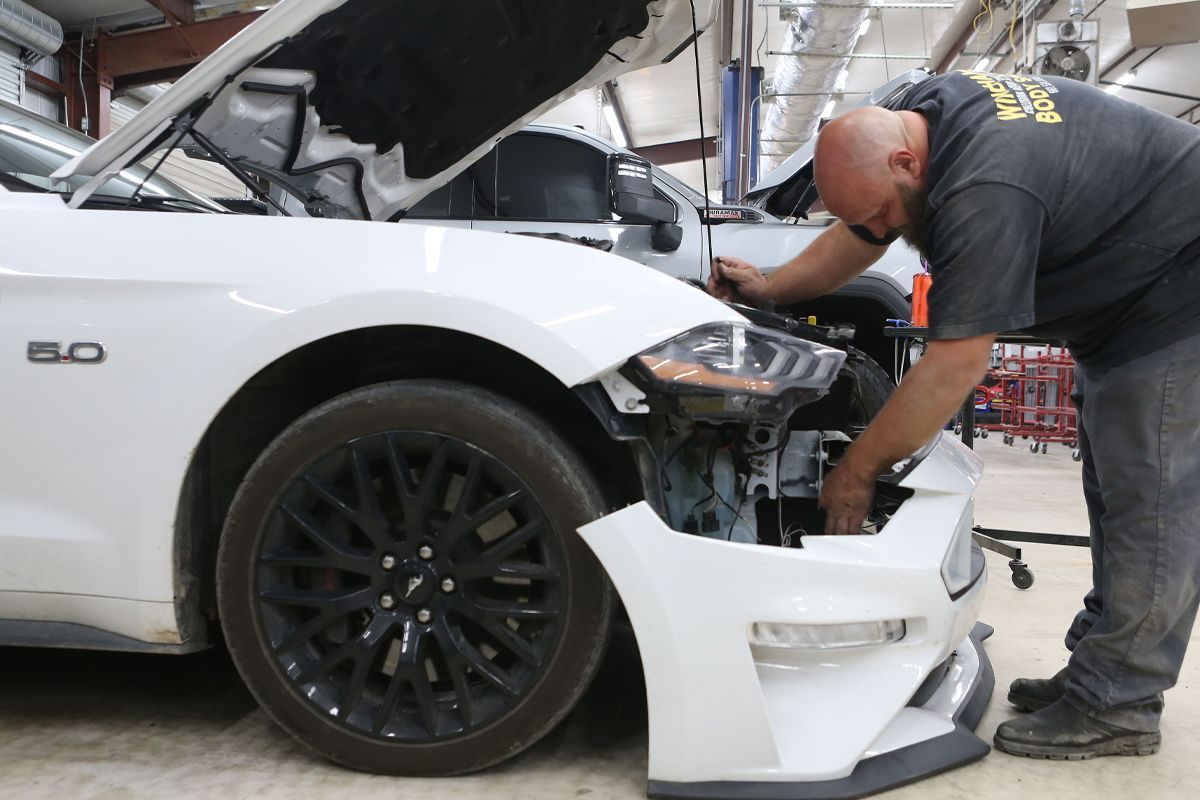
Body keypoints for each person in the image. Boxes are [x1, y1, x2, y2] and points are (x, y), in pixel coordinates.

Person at [709, 69, 1200, 760]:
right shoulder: (915, 116)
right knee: (1119, 493)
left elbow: (954, 366)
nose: (882, 230)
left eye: (885, 213)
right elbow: (865, 230)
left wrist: (857, 471)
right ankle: (1100, 670)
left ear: (909, 162)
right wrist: (773, 288)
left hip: (1179, 294)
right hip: (1130, 296)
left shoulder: (984, 188)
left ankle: (1118, 702)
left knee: (1151, 503)